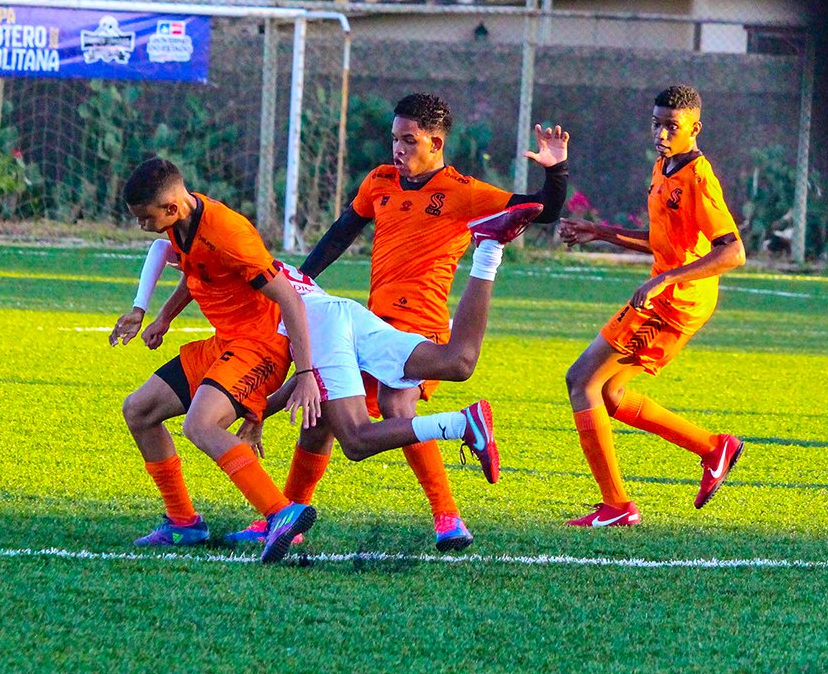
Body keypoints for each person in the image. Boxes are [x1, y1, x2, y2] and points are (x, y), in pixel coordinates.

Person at [225, 92, 569, 550]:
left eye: (409, 140)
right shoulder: (380, 181)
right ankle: (286, 516)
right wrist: (299, 285)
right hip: (372, 322)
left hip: (422, 325)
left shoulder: (464, 191)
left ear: (436, 143)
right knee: (320, 414)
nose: (398, 149)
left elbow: (543, 211)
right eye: (395, 139)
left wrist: (555, 171)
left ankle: (448, 519)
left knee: (396, 406)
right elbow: (341, 232)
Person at [115, 203, 546, 502]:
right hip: (340, 309)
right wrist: (157, 314)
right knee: (458, 362)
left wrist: (271, 401)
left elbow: (291, 344)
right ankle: (489, 247)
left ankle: (459, 423)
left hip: (319, 322)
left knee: (356, 439)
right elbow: (176, 263)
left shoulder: (227, 252)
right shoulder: (213, 249)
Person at [114, 157, 321, 565]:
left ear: (171, 207)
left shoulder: (229, 234)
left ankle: (281, 513)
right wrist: (161, 317)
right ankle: (183, 523)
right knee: (139, 410)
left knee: (201, 424)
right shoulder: (181, 224)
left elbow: (290, 300)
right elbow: (198, 272)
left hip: (260, 346)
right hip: (225, 343)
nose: (141, 225)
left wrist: (305, 373)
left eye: (145, 217)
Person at [558, 84, 746, 527]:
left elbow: (733, 252)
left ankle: (617, 507)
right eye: (657, 124)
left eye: (671, 127)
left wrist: (666, 278)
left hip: (675, 303)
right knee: (607, 392)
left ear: (695, 129)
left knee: (581, 381)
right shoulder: (665, 166)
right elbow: (666, 241)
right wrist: (600, 232)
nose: (661, 134)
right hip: (666, 295)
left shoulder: (699, 179)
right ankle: (713, 447)